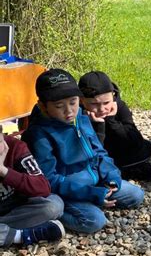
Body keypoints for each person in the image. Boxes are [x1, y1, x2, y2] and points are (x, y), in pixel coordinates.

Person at [23, 68, 144, 233]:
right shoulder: (39, 134)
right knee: (94, 221)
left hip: (95, 181)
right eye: (59, 106)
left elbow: (99, 151)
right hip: (68, 191)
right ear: (43, 106)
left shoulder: (80, 116)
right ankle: (58, 214)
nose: (69, 111)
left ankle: (94, 200)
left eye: (73, 102)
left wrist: (111, 178)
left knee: (136, 195)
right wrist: (91, 194)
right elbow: (49, 179)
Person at [78, 71, 151, 180]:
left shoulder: (119, 106)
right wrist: (97, 125)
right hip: (95, 154)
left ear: (113, 96)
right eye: (94, 104)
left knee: (144, 149)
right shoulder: (77, 113)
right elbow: (90, 150)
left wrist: (111, 120)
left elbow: (134, 139)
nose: (101, 109)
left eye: (106, 103)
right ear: (82, 101)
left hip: (120, 148)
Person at [0, 128, 64, 246]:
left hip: (18, 209)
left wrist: (4, 171)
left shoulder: (15, 147)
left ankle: (7, 232)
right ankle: (22, 235)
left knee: (54, 205)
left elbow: (42, 187)